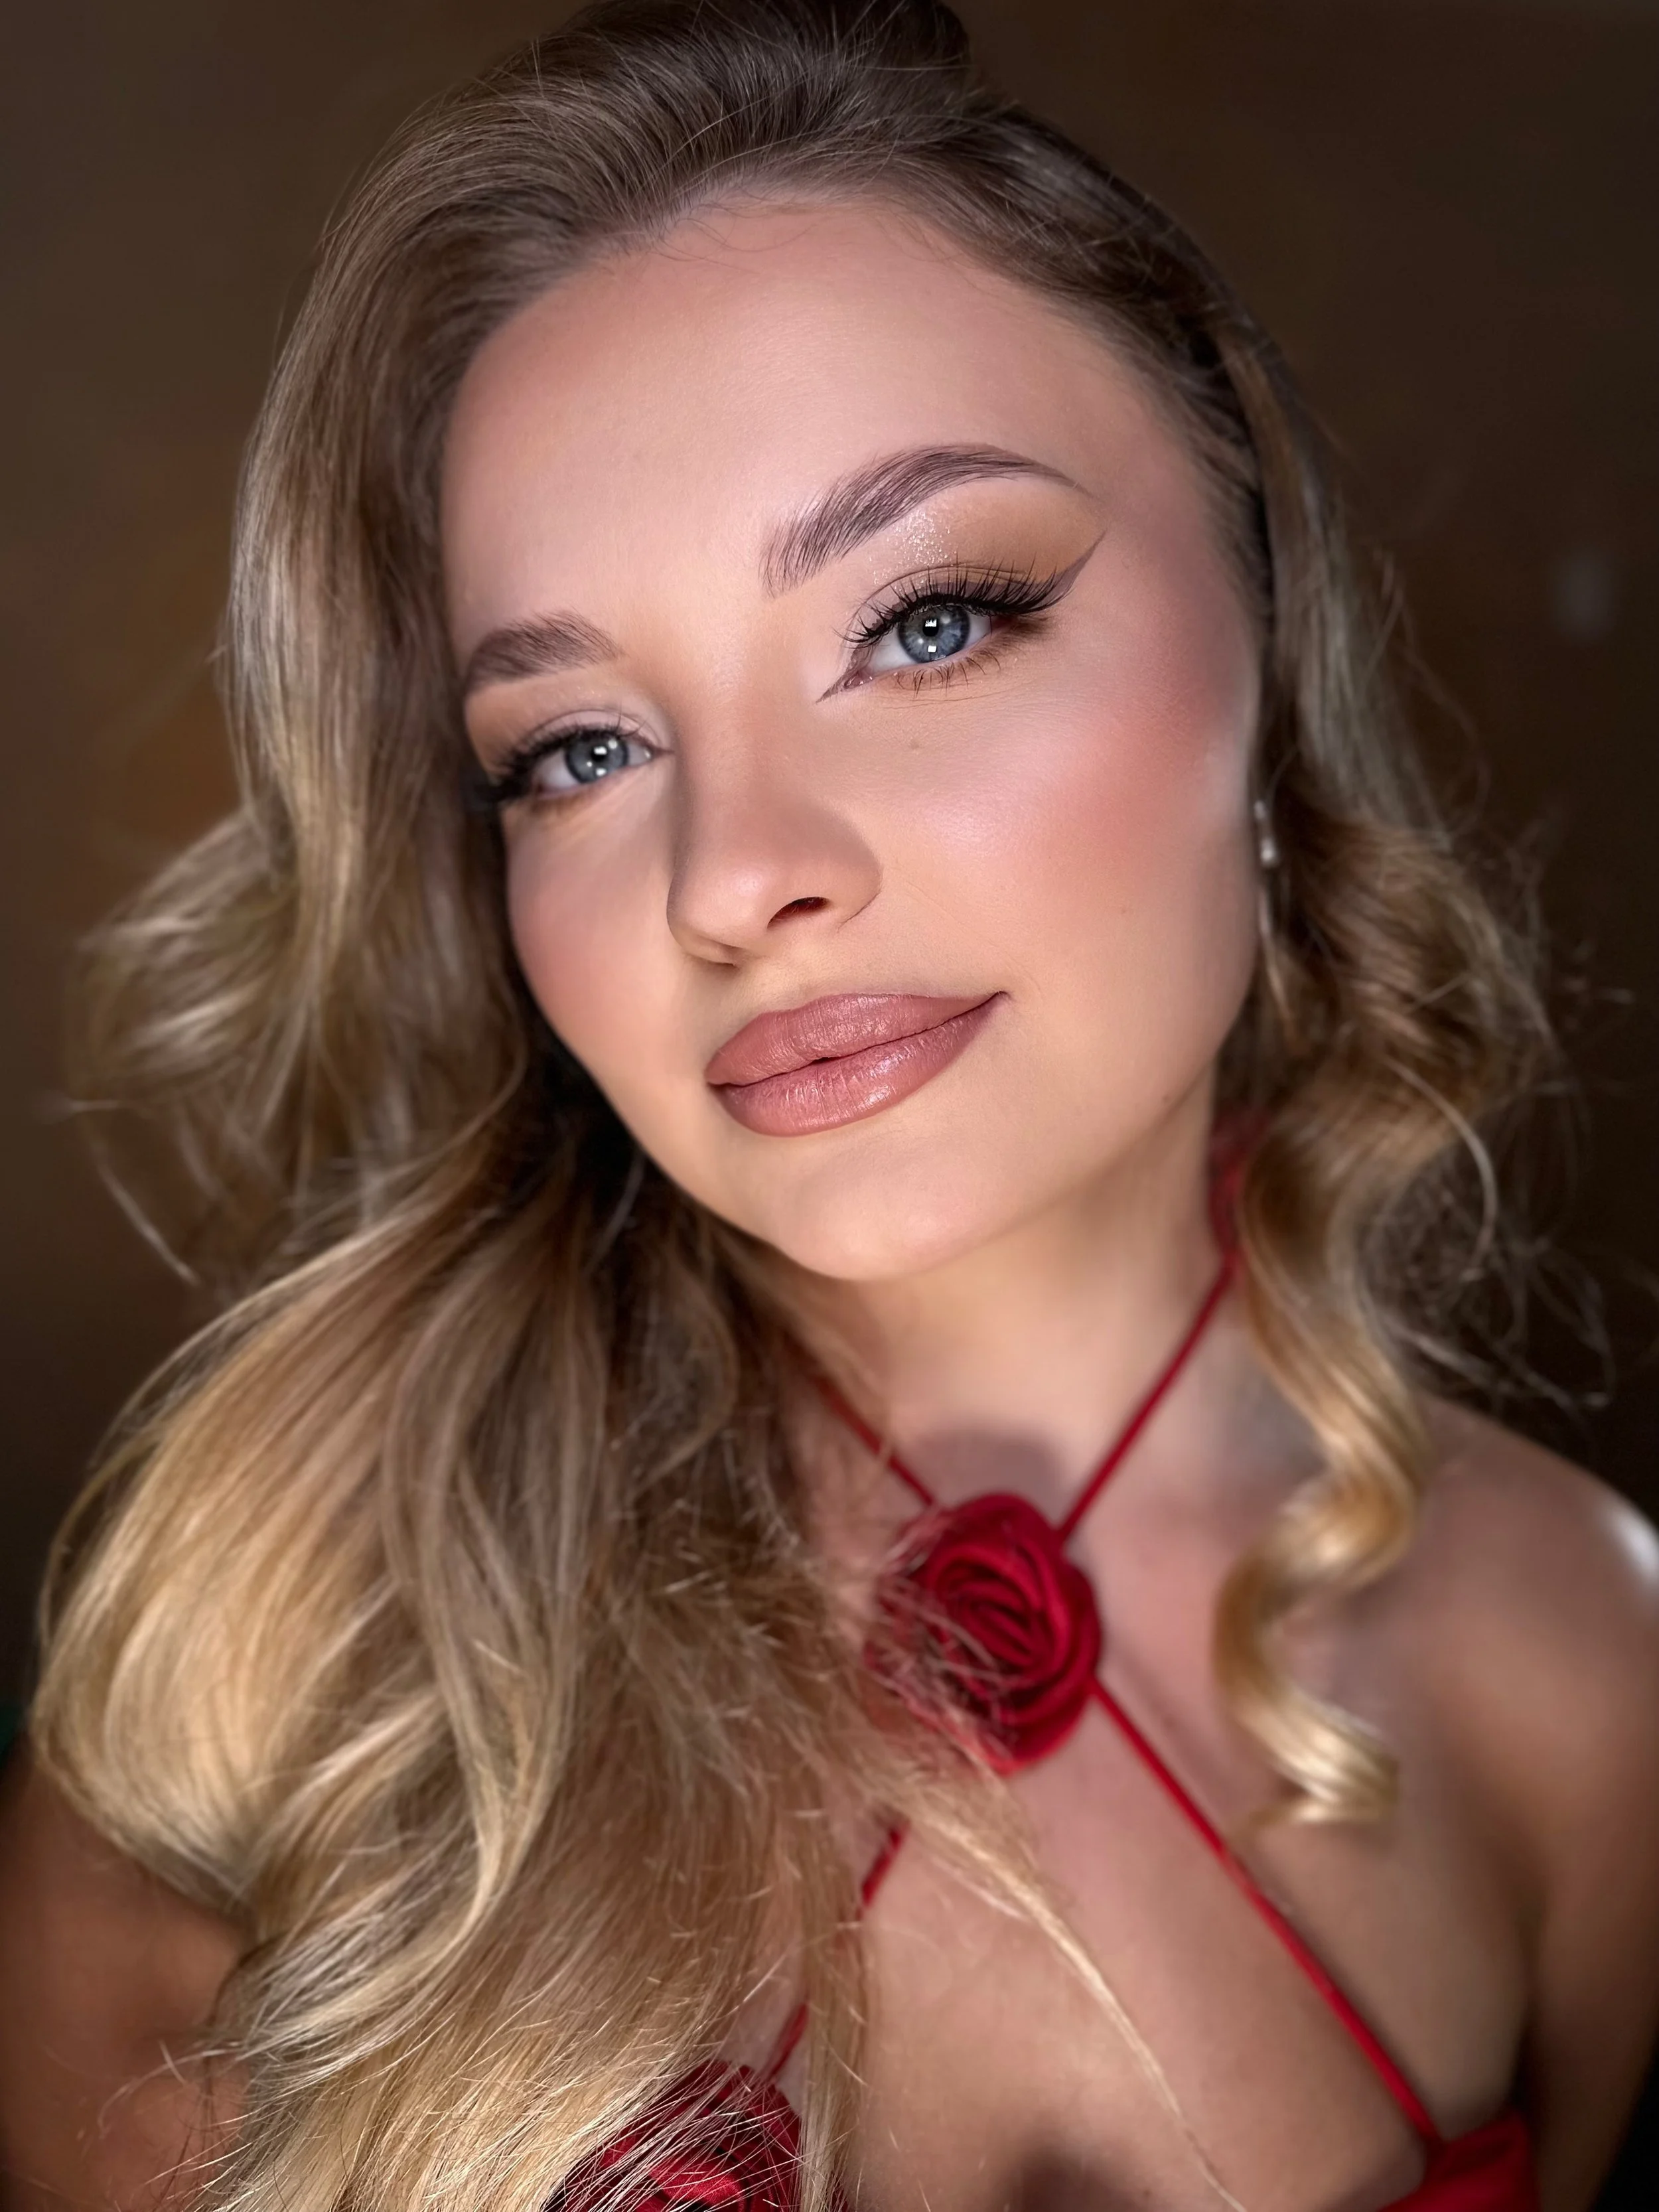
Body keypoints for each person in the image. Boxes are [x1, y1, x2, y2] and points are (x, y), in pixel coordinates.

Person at [2, 3, 1656, 2208]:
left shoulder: (1585, 1675)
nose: (731, 878)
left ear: (1259, 622)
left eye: (929, 620)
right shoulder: (260, 1700)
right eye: (575, 749)